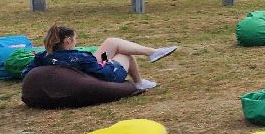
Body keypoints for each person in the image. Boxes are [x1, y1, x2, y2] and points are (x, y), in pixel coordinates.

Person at [30, 25, 175, 91]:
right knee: (126, 55)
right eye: (75, 39)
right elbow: (103, 73)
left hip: (84, 68)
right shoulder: (81, 57)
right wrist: (109, 62)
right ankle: (139, 82)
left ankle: (153, 52)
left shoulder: (44, 55)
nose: (76, 42)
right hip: (101, 73)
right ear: (68, 40)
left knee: (112, 42)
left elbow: (27, 72)